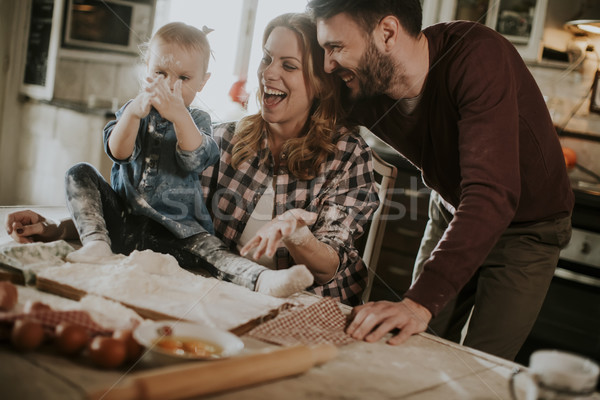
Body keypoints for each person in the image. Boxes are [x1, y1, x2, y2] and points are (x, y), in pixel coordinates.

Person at [6, 14, 380, 305]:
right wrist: (59, 229)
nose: (268, 73)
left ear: (319, 82)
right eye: (267, 58)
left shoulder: (348, 157)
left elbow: (330, 265)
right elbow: (158, 216)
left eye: (288, 65)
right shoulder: (224, 139)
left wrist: (296, 233)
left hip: (312, 308)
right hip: (225, 294)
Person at [307, 0, 574, 359]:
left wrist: (418, 304)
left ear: (387, 33)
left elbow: (491, 193)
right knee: (415, 348)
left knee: (479, 366)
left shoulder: (477, 56)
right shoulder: (360, 83)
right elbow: (302, 113)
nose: (328, 64)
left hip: (528, 230)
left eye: (336, 48)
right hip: (452, 211)